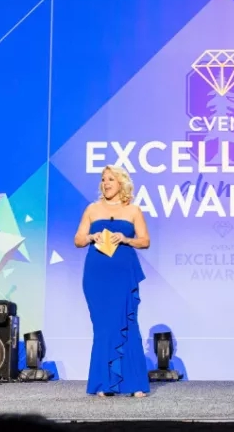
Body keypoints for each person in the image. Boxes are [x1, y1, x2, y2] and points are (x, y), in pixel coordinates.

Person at [73, 165, 151, 397]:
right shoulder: (92, 209)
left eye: (111, 179)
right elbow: (78, 239)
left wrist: (126, 239)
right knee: (104, 326)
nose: (106, 183)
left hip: (124, 273)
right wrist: (90, 236)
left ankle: (134, 384)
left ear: (121, 184)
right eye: (103, 180)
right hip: (97, 275)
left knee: (128, 325)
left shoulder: (133, 210)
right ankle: (104, 384)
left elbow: (144, 241)